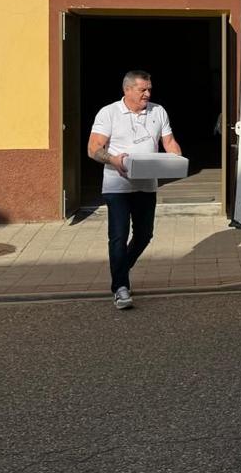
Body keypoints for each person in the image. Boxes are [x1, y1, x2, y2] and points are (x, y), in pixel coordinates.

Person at [88, 70, 183, 310]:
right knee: (118, 237)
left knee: (144, 235)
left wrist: (176, 158)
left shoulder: (158, 111)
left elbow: (169, 142)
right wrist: (113, 160)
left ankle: (120, 269)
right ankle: (120, 288)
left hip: (146, 185)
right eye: (143, 90)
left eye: (149, 89)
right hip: (117, 186)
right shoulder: (108, 113)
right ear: (127, 90)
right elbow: (93, 148)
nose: (147, 94)